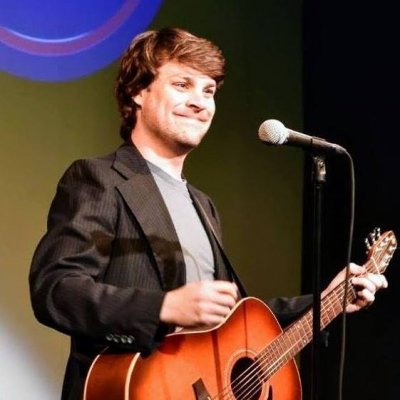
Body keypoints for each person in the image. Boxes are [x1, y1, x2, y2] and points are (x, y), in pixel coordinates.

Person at [29, 27, 388, 400]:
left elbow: (234, 324)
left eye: (209, 91)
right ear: (138, 91)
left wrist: (324, 301)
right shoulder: (98, 179)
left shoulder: (203, 205)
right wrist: (164, 307)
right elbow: (56, 289)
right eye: (182, 85)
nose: (200, 103)